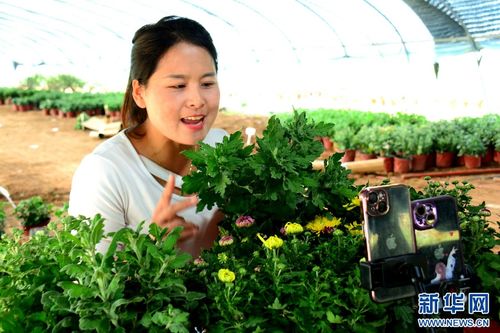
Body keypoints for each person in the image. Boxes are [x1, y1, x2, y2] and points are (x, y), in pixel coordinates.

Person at [69, 16, 226, 257]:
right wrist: (152, 248)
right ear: (139, 93)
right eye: (178, 86)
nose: (197, 100)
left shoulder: (221, 147)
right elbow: (90, 287)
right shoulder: (105, 172)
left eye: (207, 83)